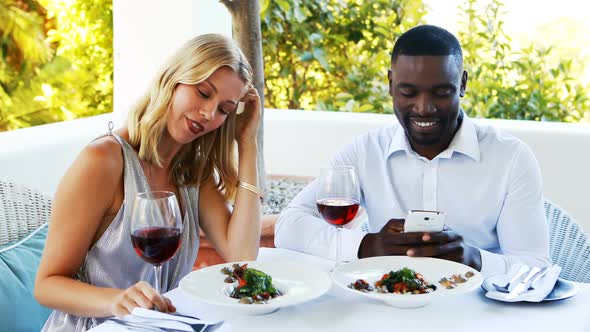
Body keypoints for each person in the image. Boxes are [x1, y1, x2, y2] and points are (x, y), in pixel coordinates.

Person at [274, 25, 551, 277]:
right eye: (408, 92)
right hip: (387, 306)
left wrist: (474, 259)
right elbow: (289, 226)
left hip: (481, 312)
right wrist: (369, 245)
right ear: (391, 84)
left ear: (463, 84)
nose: (424, 108)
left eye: (441, 92)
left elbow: (535, 266)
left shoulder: (511, 158)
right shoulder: (363, 152)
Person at [34, 34, 263, 331]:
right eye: (203, 93)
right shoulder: (104, 161)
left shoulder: (193, 172)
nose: (208, 114)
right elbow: (47, 286)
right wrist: (118, 300)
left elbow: (242, 254)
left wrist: (247, 143)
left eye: (224, 110)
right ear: (173, 79)